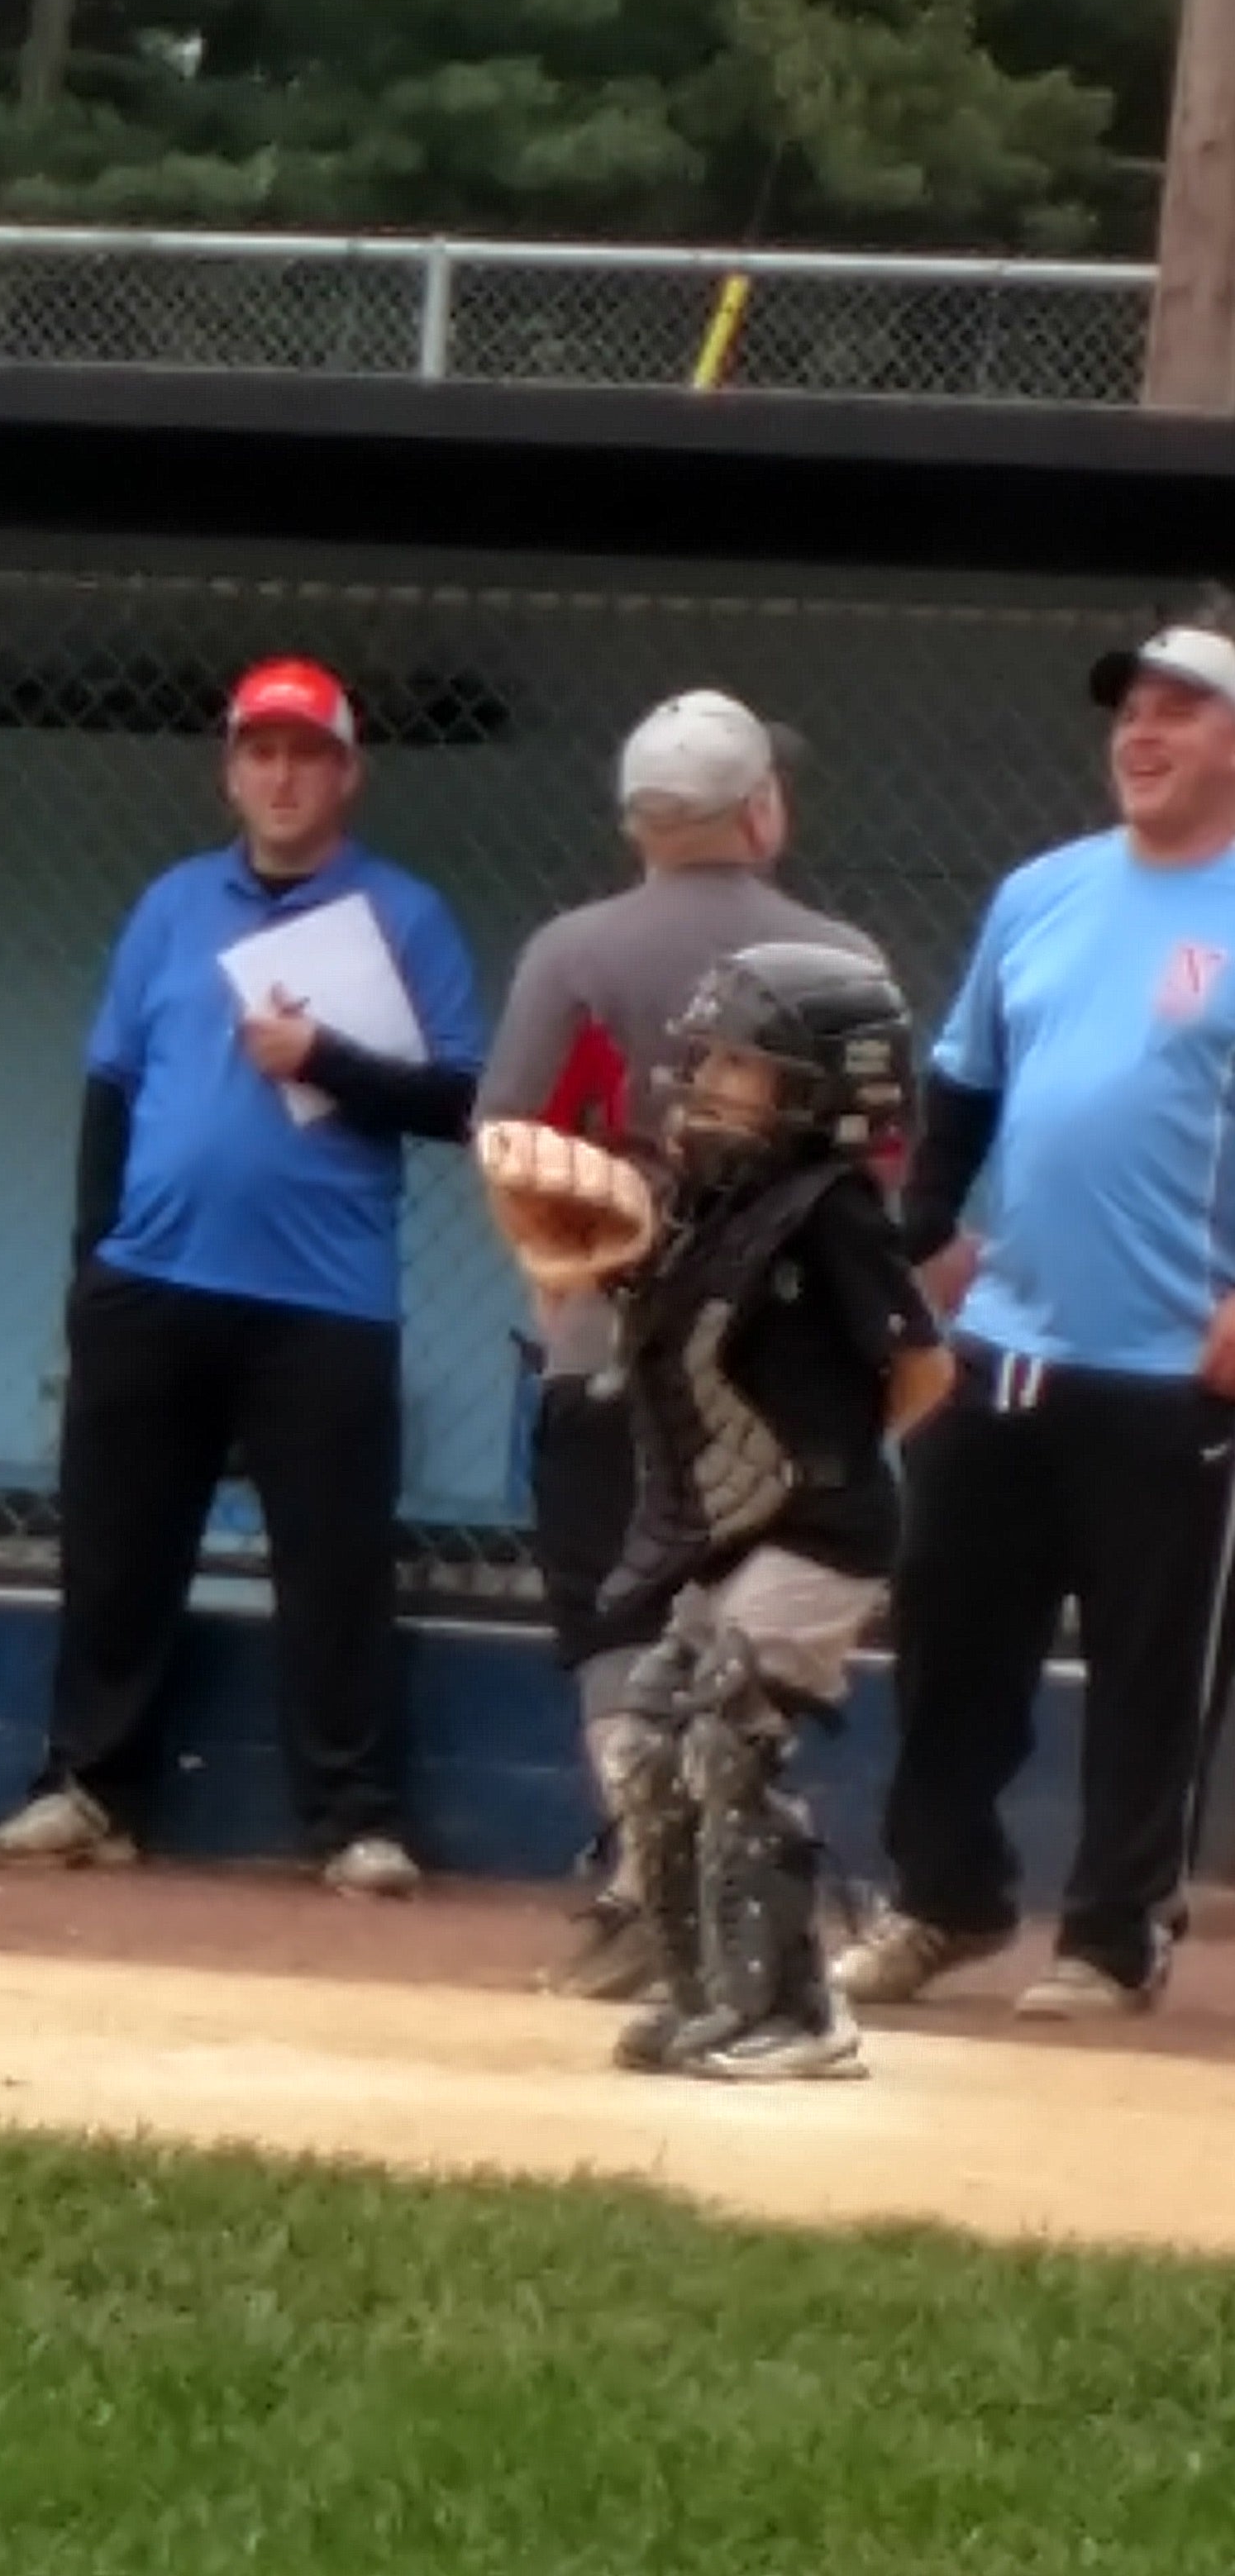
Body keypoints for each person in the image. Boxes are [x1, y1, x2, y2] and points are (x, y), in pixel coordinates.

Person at [0, 658, 485, 1893]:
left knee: (334, 1565)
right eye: (260, 752)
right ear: (230, 769)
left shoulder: (403, 916)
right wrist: (94, 1259)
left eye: (307, 753)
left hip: (322, 1297)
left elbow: (463, 1098)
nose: (281, 775)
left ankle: (353, 1819)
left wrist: (329, 1055)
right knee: (117, 1548)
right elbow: (112, 1082)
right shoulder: (172, 906)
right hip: (153, 1283)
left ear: (347, 774)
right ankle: (91, 1789)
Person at [840, 607, 1235, 2022]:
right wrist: (914, 1256)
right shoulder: (1039, 891)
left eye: (1176, 708)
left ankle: (1111, 1930)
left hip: (1171, 1365)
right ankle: (939, 1898)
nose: (1138, 731)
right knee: (947, 1634)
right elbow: (959, 1092)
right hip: (998, 1348)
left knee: (1144, 1666)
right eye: (1126, 708)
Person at [484, 947, 947, 2083]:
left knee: (727, 1737)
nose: (709, 1082)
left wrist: (826, 1446)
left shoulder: (837, 1214)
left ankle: (799, 2014)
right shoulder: (714, 1200)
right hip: (730, 1531)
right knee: (649, 1737)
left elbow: (923, 1371)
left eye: (741, 1065)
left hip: (820, 1530)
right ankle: (710, 1998)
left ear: (821, 1089)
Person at [476, 694, 875, 1999]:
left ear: (638, 820)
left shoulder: (573, 950)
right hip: (787, 1358)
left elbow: (510, 1136)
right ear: (759, 809)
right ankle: (718, 1883)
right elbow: (881, 1159)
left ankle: (650, 1883)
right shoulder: (839, 954)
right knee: (745, 1628)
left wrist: (561, 1270)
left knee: (621, 1616)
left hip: (614, 1339)